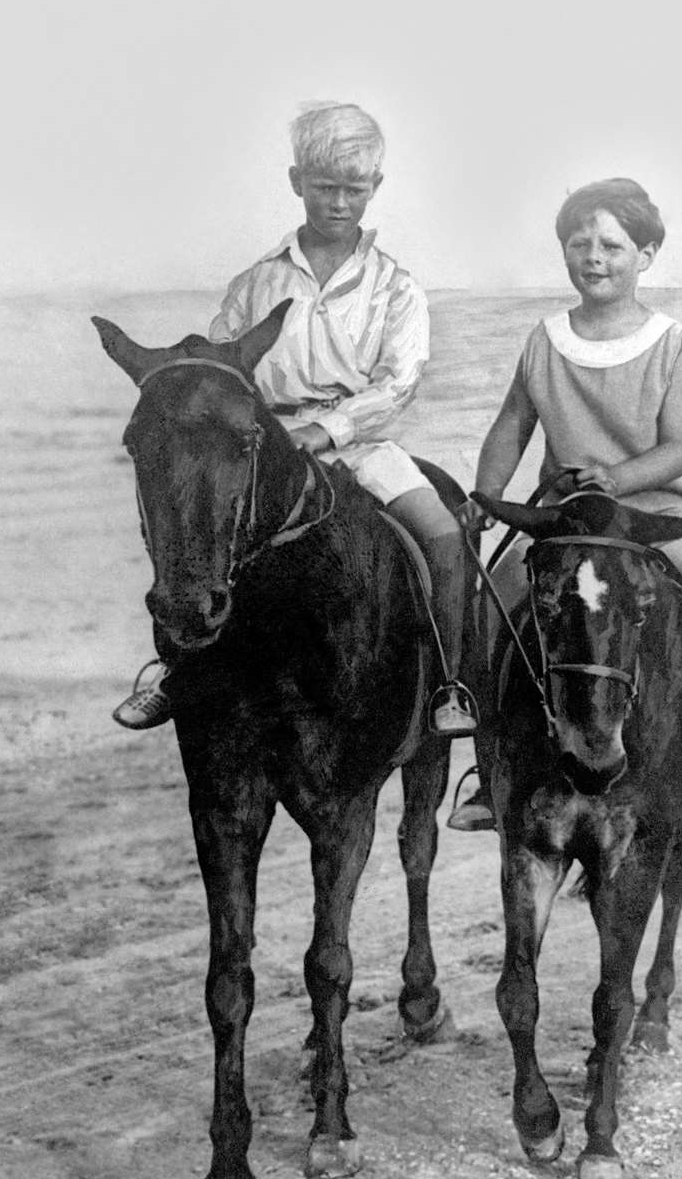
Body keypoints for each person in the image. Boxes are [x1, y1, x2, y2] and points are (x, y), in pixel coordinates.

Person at [113, 101, 477, 738]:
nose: (338, 202)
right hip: (264, 450)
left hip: (363, 449)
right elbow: (222, 374)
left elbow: (399, 384)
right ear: (296, 182)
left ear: (375, 189)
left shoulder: (396, 287)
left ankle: (450, 685)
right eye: (324, 187)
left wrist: (328, 429)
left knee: (444, 539)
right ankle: (177, 671)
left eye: (353, 190)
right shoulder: (255, 283)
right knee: (195, 531)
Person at [449, 177, 682, 826]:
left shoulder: (668, 341)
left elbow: (681, 446)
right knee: (489, 607)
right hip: (564, 518)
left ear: (647, 254)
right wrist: (486, 498)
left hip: (660, 514)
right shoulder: (545, 339)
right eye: (579, 243)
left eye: (612, 244)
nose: (594, 256)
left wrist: (617, 476)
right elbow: (510, 429)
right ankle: (490, 768)